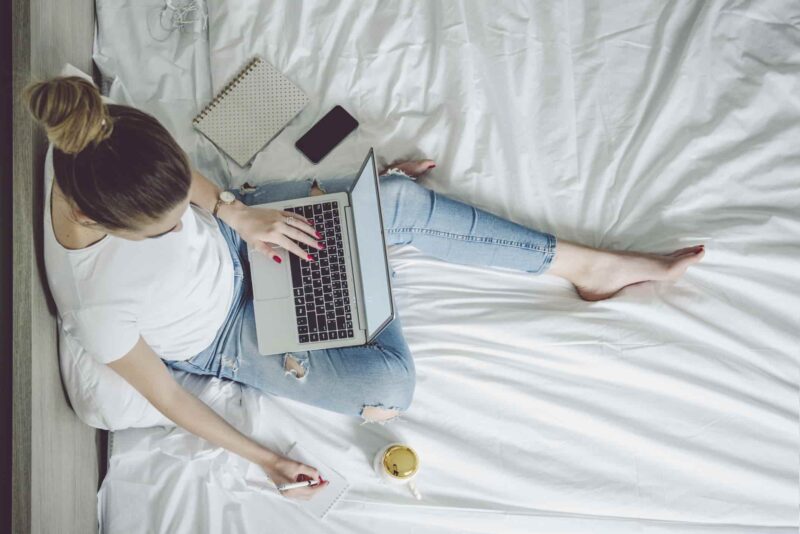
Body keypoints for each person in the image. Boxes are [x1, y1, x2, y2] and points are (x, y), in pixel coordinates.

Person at [25, 76, 703, 500]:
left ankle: (589, 269)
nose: (179, 227)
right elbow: (169, 395)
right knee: (387, 392)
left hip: (240, 238)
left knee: (393, 198)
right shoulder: (98, 304)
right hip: (225, 337)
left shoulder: (105, 137)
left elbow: (183, 189)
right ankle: (362, 249)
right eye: (160, 230)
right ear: (91, 220)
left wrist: (232, 211)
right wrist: (265, 460)